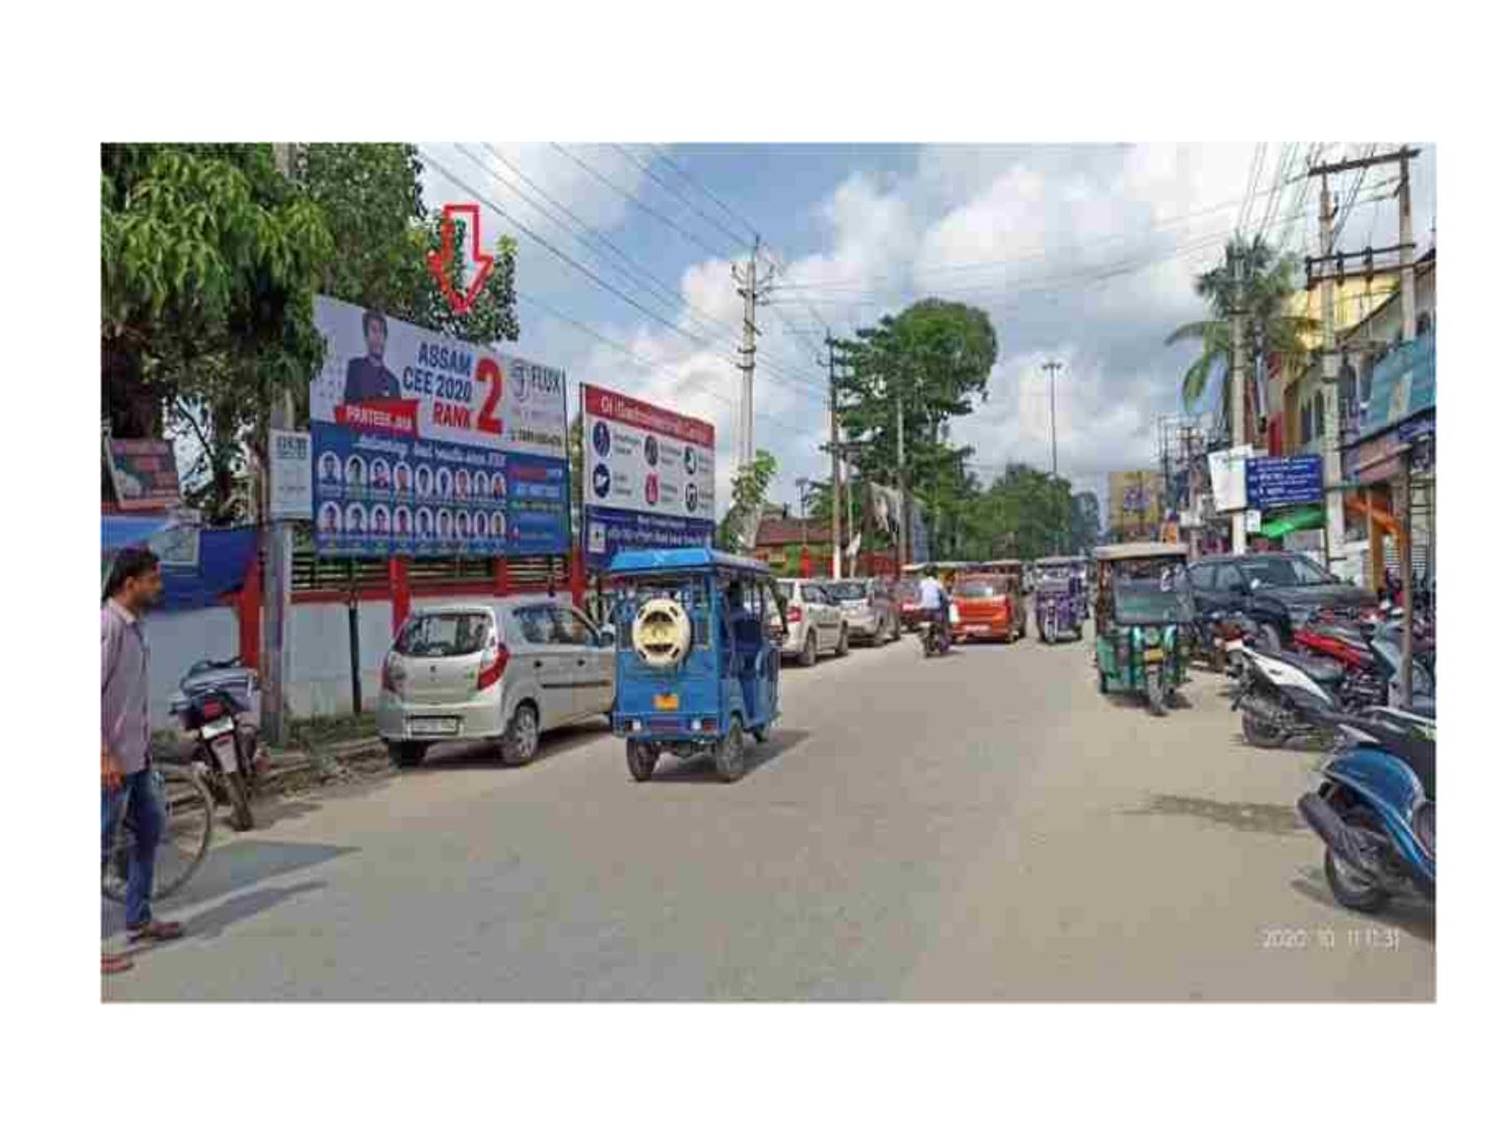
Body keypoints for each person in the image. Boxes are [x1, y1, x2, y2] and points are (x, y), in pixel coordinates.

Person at [101, 548, 184, 974]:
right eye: (153, 579)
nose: (159, 586)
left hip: (135, 759)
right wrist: (102, 754)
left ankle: (138, 917)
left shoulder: (134, 628)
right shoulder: (107, 626)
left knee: (149, 831)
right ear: (129, 583)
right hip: (108, 765)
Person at [342, 309, 402, 404]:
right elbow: (348, 407)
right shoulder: (356, 368)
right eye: (374, 330)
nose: (378, 337)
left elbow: (399, 416)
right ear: (366, 336)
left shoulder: (393, 382)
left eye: (381, 332)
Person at [917, 565, 950, 645]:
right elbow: (944, 595)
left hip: (924, 608)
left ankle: (923, 633)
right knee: (941, 622)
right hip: (936, 608)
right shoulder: (937, 583)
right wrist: (948, 600)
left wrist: (920, 603)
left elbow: (919, 595)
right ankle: (940, 637)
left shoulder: (922, 583)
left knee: (924, 620)